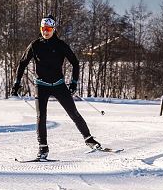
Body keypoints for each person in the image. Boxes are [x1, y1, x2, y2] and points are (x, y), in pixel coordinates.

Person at [11, 14, 101, 159]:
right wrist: (17, 83)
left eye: (48, 29)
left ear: (53, 29)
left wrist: (74, 82)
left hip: (59, 84)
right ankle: (43, 148)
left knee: (73, 113)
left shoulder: (60, 45)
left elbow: (75, 62)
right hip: (41, 85)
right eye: (43, 29)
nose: (45, 32)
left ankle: (89, 140)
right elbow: (22, 63)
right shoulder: (35, 45)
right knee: (41, 116)